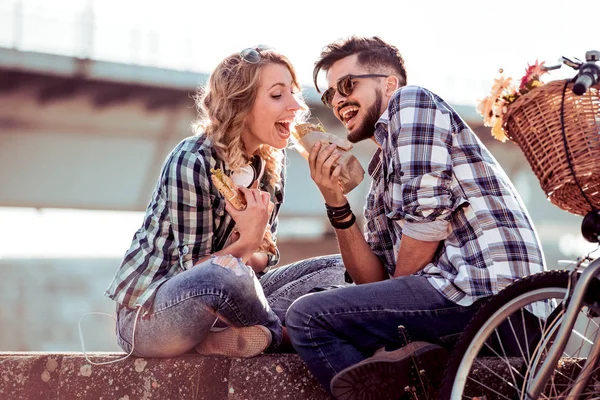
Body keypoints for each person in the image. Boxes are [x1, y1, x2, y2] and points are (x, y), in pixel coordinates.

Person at [285, 36, 546, 399]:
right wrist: (336, 201)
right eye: (331, 95)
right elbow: (371, 279)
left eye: (347, 85)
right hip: (457, 303)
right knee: (318, 304)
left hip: (493, 299)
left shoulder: (411, 102)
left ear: (389, 83)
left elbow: (427, 226)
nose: (338, 101)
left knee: (308, 317)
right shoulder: (380, 177)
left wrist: (384, 316)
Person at [105, 46, 347, 359]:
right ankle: (287, 335)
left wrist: (253, 244)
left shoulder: (272, 162)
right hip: (151, 318)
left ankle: (227, 339)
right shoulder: (192, 161)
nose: (296, 105)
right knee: (225, 274)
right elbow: (196, 274)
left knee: (340, 268)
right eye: (278, 95)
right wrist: (247, 242)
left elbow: (265, 260)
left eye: (293, 92)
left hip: (232, 303)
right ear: (241, 105)